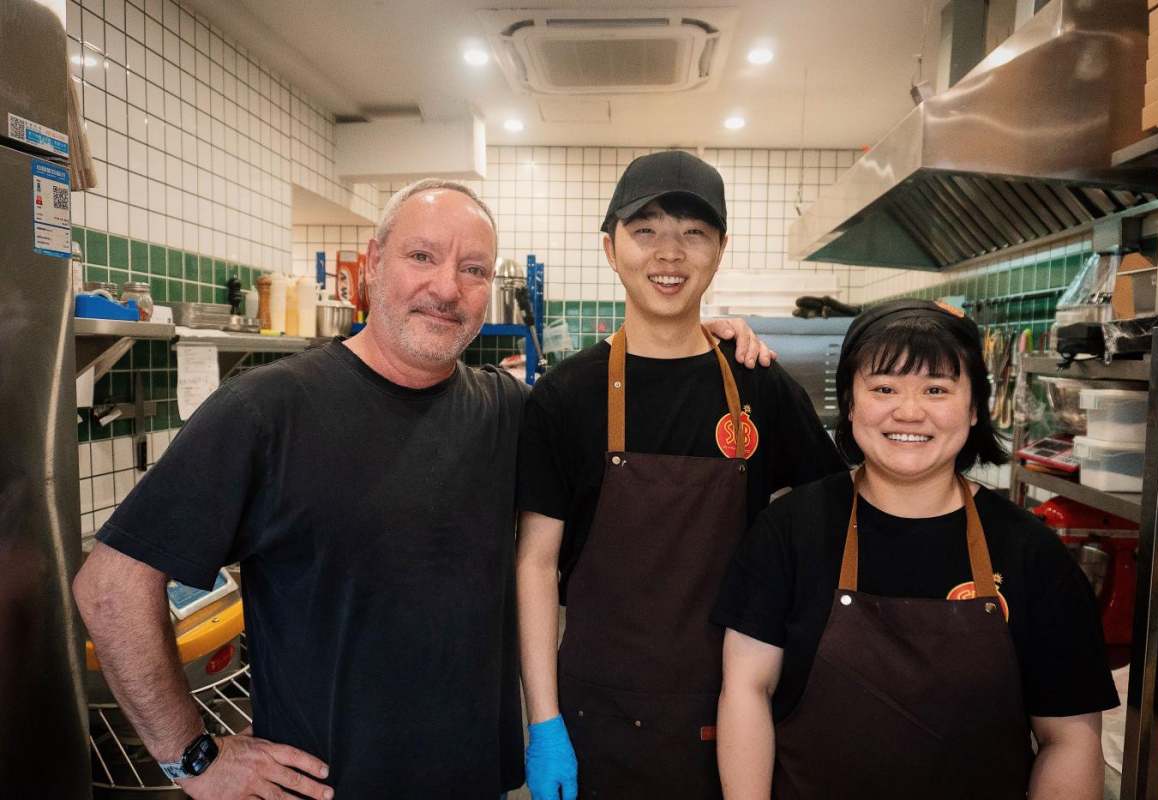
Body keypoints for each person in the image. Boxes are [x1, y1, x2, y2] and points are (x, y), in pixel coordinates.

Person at [72, 178, 772, 800]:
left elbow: (621, 428)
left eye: (473, 269)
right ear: (374, 264)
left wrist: (689, 338)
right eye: (422, 256)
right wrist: (193, 758)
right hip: (325, 786)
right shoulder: (266, 410)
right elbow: (110, 586)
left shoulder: (508, 411)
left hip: (479, 781)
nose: (447, 288)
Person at [516, 150, 846, 800]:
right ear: (611, 250)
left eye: (693, 233)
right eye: (645, 231)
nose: (669, 253)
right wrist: (543, 721)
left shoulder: (760, 386)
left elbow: (831, 525)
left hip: (732, 717)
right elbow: (535, 563)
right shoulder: (566, 396)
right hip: (595, 719)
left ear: (720, 251)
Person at [713, 299, 1120, 800]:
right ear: (850, 403)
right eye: (884, 388)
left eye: (936, 389)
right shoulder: (789, 530)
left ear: (974, 408)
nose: (909, 411)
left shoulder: (1031, 553)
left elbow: (1070, 739)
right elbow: (746, 691)